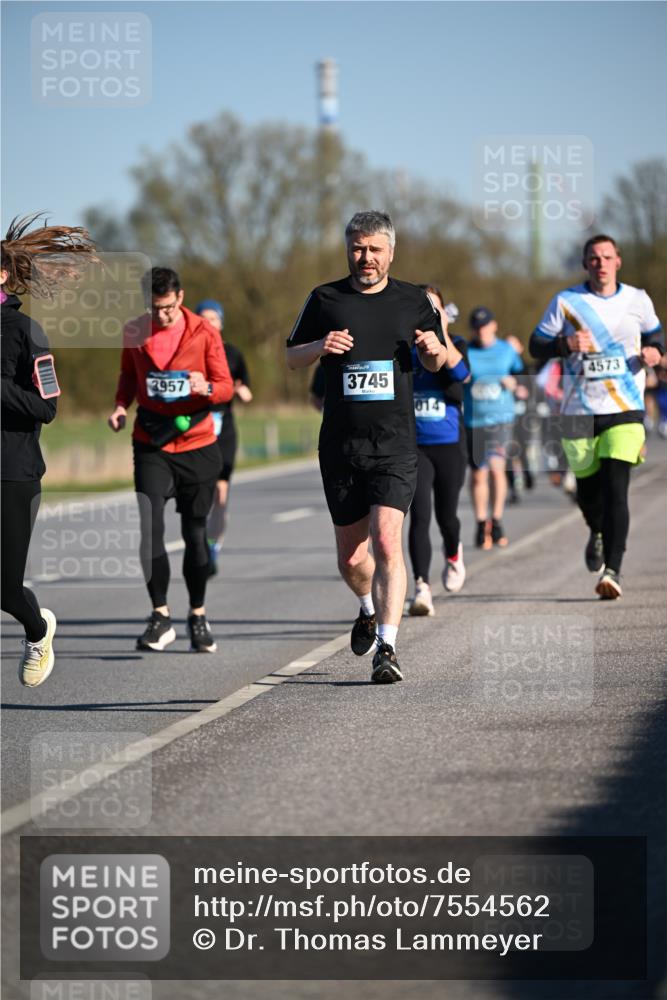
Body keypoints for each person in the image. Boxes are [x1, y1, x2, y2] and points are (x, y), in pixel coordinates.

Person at [286, 211, 459, 683]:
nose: (365, 258)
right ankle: (365, 607)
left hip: (396, 444)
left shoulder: (414, 300)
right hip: (341, 446)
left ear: (391, 252)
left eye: (374, 249)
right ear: (348, 249)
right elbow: (291, 357)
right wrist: (321, 345)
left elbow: (443, 356)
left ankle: (388, 647)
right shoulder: (325, 298)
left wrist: (430, 351)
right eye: (358, 248)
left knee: (386, 541)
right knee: (350, 558)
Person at [530, 234, 663, 599]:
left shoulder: (637, 299)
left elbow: (655, 334)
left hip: (625, 408)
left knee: (616, 489)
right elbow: (535, 344)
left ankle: (613, 570)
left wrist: (655, 352)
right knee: (588, 494)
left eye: (607, 256)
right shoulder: (567, 301)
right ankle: (597, 531)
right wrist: (565, 344)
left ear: (618, 260)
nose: (600, 263)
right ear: (585, 263)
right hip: (578, 410)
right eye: (593, 257)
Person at [108, 268, 233, 651]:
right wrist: (119, 406)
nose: (160, 315)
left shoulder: (204, 332)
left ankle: (197, 615)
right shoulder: (135, 331)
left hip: (196, 442)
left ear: (180, 297)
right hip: (151, 442)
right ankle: (160, 616)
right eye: (153, 308)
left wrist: (206, 387)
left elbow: (225, 387)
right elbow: (129, 377)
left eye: (166, 308)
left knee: (195, 535)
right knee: (150, 527)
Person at [1, 213, 98, 686]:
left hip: (12, 472)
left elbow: (47, 407)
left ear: (2, 274)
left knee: (3, 587)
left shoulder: (25, 333)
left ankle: (38, 629)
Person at [408, 286, 470, 616]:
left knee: (447, 515)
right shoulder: (401, 347)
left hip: (447, 444)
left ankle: (454, 553)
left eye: (434, 309)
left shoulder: (456, 344)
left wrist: (441, 331)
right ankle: (421, 587)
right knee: (419, 515)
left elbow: (462, 373)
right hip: (412, 445)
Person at [194, 299, 253, 577]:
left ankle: (212, 546)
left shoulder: (232, 354)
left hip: (224, 429)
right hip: (194, 428)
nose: (208, 324)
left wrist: (242, 393)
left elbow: (247, 388)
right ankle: (198, 538)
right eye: (202, 318)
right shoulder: (187, 352)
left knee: (220, 493)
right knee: (198, 493)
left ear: (221, 322)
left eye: (213, 319)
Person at [463, 308, 524, 549]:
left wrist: (514, 382)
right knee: (479, 474)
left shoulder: (506, 350)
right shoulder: (465, 351)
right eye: (477, 327)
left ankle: (496, 520)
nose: (482, 331)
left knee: (497, 469)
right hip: (474, 421)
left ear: (494, 325)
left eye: (485, 325)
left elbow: (521, 374)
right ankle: (481, 523)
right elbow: (455, 374)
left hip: (501, 418)